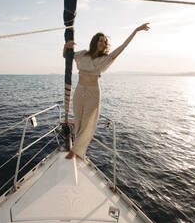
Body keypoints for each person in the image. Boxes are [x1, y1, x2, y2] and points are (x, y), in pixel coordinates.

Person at [63, 23, 150, 160]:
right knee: (78, 119)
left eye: (105, 42)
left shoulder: (106, 59)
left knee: (87, 122)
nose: (103, 43)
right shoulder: (82, 54)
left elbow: (122, 47)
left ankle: (75, 152)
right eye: (101, 40)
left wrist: (135, 31)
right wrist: (65, 47)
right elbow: (67, 56)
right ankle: (76, 148)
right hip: (79, 90)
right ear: (95, 42)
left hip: (93, 92)